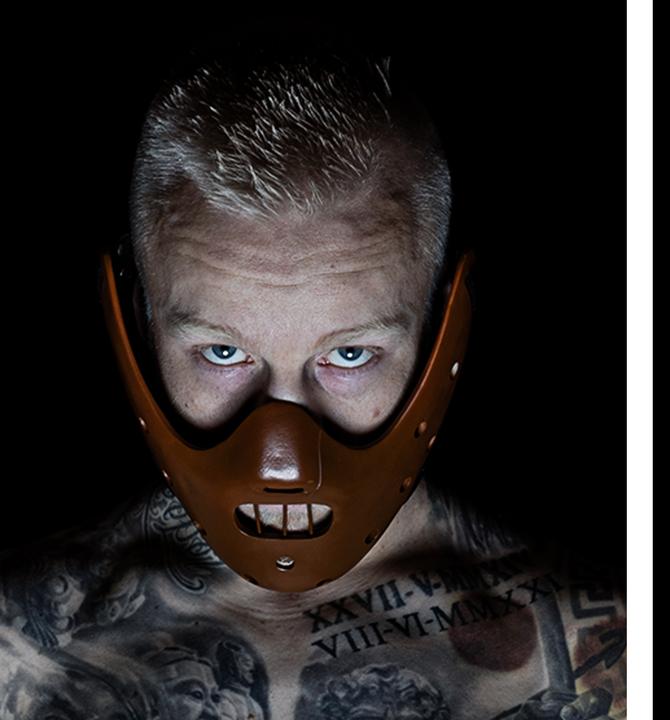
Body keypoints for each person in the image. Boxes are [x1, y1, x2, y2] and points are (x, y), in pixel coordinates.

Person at [0, 47, 625, 719]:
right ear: (138, 318)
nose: (281, 456)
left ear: (444, 325)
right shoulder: (19, 640)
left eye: (350, 355)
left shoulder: (610, 650)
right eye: (220, 351)